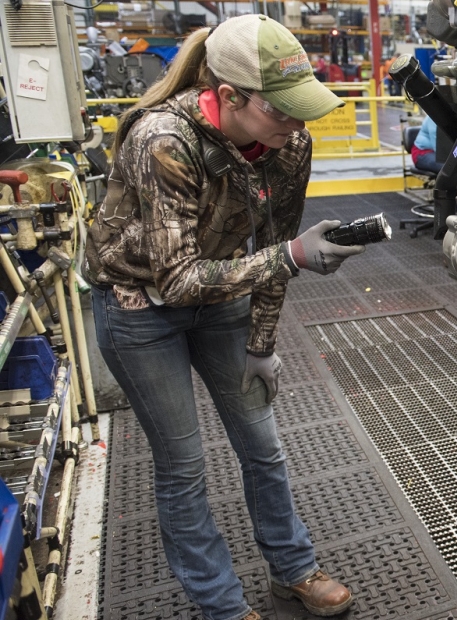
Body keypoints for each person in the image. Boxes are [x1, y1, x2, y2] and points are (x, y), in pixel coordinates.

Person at [83, 15, 363, 620]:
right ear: (229, 97)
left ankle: (293, 572)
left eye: (302, 110)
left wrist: (262, 343)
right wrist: (289, 257)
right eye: (282, 111)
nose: (296, 126)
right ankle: (223, 608)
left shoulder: (290, 145)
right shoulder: (163, 140)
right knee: (183, 464)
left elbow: (275, 248)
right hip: (138, 307)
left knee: (263, 444)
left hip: (221, 294)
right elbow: (182, 278)